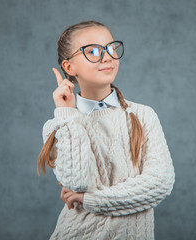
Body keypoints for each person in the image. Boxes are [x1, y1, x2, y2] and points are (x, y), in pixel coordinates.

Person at [37, 20, 175, 240]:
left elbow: (159, 183)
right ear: (69, 67)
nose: (108, 56)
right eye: (93, 51)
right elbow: (78, 182)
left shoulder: (142, 115)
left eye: (111, 48)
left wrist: (89, 200)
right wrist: (68, 114)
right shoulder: (59, 125)